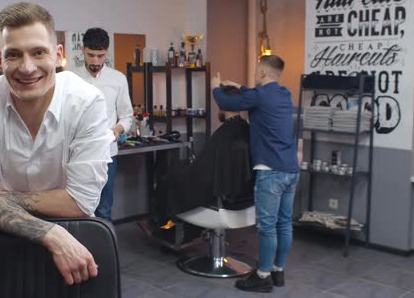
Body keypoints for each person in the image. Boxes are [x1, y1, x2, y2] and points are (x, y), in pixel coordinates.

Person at [0, 2, 113, 286]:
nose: (27, 68)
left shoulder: (86, 102)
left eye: (38, 52)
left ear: (58, 54)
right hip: (4, 241)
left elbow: (81, 201)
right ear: (0, 59)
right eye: (14, 55)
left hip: (73, 245)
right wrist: (51, 234)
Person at [212, 55, 299, 293]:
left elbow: (225, 103)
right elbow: (255, 96)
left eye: (255, 71)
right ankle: (277, 271)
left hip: (270, 172)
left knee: (267, 227)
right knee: (284, 225)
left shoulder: (259, 96)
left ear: (262, 73)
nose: (253, 75)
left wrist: (214, 86)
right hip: (291, 169)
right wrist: (241, 87)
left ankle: (262, 277)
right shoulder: (284, 94)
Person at [155, 85, 254, 225]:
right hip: (247, 200)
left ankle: (165, 227)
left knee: (167, 181)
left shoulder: (223, 135)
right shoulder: (248, 130)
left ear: (223, 105)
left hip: (224, 201)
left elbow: (201, 173)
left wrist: (180, 171)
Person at [72, 27, 133, 221]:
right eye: (91, 55)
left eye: (100, 55)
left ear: (107, 52)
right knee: (78, 209)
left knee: (104, 209)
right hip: (77, 155)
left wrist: (118, 129)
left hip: (107, 155)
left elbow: (127, 116)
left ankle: (103, 252)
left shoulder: (118, 79)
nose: (96, 61)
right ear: (83, 50)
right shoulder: (70, 78)